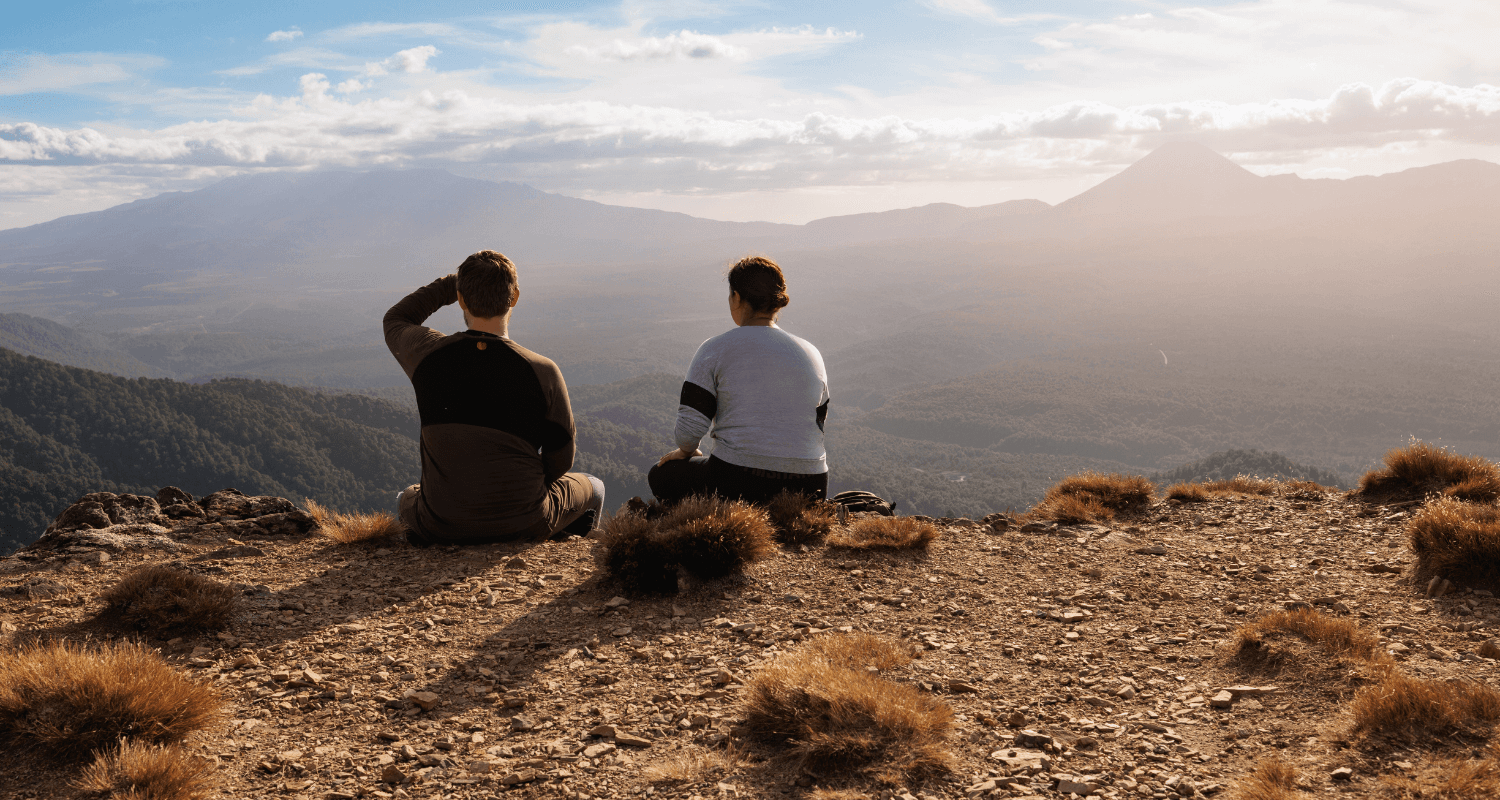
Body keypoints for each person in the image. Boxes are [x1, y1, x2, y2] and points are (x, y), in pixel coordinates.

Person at [383, 250, 604, 545]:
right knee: (595, 486)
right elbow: (562, 458)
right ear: (514, 298)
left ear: (460, 299)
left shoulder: (427, 355)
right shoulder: (542, 370)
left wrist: (455, 284)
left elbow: (396, 318)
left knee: (405, 497)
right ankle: (563, 547)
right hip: (526, 521)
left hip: (440, 522)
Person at [648, 255, 830, 505]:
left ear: (736, 297)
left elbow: (688, 433)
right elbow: (818, 424)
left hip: (738, 480)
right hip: (811, 486)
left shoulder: (716, 348)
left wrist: (686, 452)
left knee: (661, 475)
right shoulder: (811, 352)